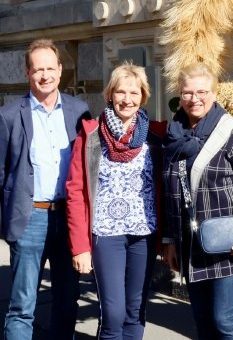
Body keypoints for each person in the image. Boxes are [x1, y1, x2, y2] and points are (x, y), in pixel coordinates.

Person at [161, 63, 233, 340]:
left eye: (202, 92)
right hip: (190, 243)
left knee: (224, 318)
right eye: (187, 93)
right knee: (203, 318)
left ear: (214, 92)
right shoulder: (174, 134)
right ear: (179, 95)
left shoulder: (231, 131)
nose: (194, 98)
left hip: (227, 242)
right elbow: (172, 193)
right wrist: (170, 241)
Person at [65, 62, 166, 339]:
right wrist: (80, 248)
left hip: (143, 234)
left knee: (135, 312)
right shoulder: (90, 136)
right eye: (121, 92)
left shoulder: (156, 136)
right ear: (110, 94)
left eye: (134, 93)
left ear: (143, 96)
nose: (127, 99)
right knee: (113, 314)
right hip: (105, 235)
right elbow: (75, 192)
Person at [0, 38, 90, 340]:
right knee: (22, 304)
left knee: (67, 301)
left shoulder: (79, 111)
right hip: (30, 219)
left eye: (50, 68)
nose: (45, 75)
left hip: (68, 219)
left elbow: (88, 169)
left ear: (60, 69)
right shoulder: (10, 116)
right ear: (27, 72)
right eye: (38, 69)